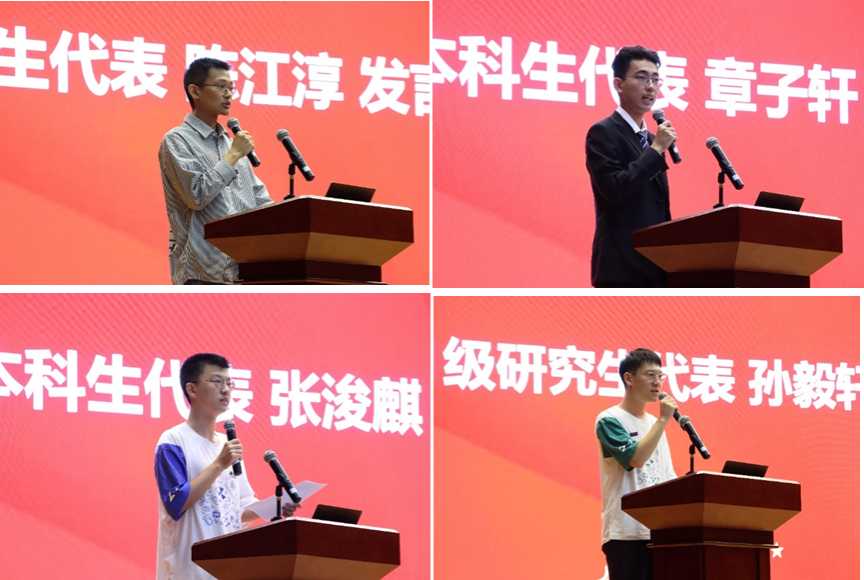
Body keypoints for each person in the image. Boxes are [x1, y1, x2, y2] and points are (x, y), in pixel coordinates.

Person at [154, 353, 299, 580]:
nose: (226, 390)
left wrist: (275, 507)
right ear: (192, 389)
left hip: (227, 568)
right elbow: (176, 503)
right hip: (189, 571)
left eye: (229, 383)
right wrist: (219, 464)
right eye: (216, 381)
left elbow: (238, 509)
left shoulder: (227, 444)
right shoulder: (173, 440)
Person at [159, 58, 274, 285]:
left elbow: (259, 201)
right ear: (195, 91)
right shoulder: (177, 140)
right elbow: (196, 196)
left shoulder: (231, 143)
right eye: (221, 86)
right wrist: (233, 155)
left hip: (243, 272)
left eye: (231, 88)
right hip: (201, 274)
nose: (228, 94)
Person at [585, 46, 678, 288]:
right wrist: (656, 150)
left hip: (655, 266)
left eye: (655, 79)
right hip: (621, 267)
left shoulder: (650, 139)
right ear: (618, 84)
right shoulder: (603, 132)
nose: (651, 87)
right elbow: (613, 189)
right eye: (642, 78)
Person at [594, 348, 678, 580]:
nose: (657, 382)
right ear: (629, 378)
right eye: (650, 375)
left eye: (660, 376)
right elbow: (636, 460)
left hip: (658, 533)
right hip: (626, 532)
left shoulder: (654, 423)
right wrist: (663, 419)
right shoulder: (609, 419)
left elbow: (666, 476)